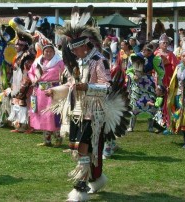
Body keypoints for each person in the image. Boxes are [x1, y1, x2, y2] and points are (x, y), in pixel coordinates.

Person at [52, 5, 130, 201]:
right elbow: (72, 85)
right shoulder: (81, 62)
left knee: (83, 148)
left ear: (84, 46)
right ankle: (95, 179)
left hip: (95, 113)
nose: (73, 52)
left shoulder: (99, 60)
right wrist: (53, 91)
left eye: (75, 49)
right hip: (78, 111)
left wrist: (87, 88)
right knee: (78, 148)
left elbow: (106, 87)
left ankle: (80, 189)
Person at [28, 43, 64, 146]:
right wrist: (33, 79)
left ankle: (58, 138)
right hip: (40, 92)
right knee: (43, 114)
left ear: (54, 52)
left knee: (53, 115)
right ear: (43, 52)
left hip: (53, 91)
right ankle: (47, 140)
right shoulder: (38, 62)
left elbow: (66, 73)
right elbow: (30, 72)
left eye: (50, 51)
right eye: (46, 51)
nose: (48, 53)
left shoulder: (59, 62)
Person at [126, 44, 164, 132]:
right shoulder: (135, 57)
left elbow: (161, 72)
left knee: (151, 103)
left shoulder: (155, 58)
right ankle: (131, 126)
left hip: (149, 84)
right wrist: (133, 76)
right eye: (149, 51)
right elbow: (128, 70)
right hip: (137, 83)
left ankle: (150, 126)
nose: (151, 53)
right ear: (144, 50)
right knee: (134, 103)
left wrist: (159, 83)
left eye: (151, 51)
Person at [6, 30, 34, 133]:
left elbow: (28, 74)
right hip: (17, 83)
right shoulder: (17, 56)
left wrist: (24, 86)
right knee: (16, 102)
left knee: (24, 103)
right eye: (16, 45)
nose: (16, 46)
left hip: (25, 84)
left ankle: (26, 125)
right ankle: (18, 125)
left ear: (23, 46)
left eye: (18, 45)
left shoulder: (27, 57)